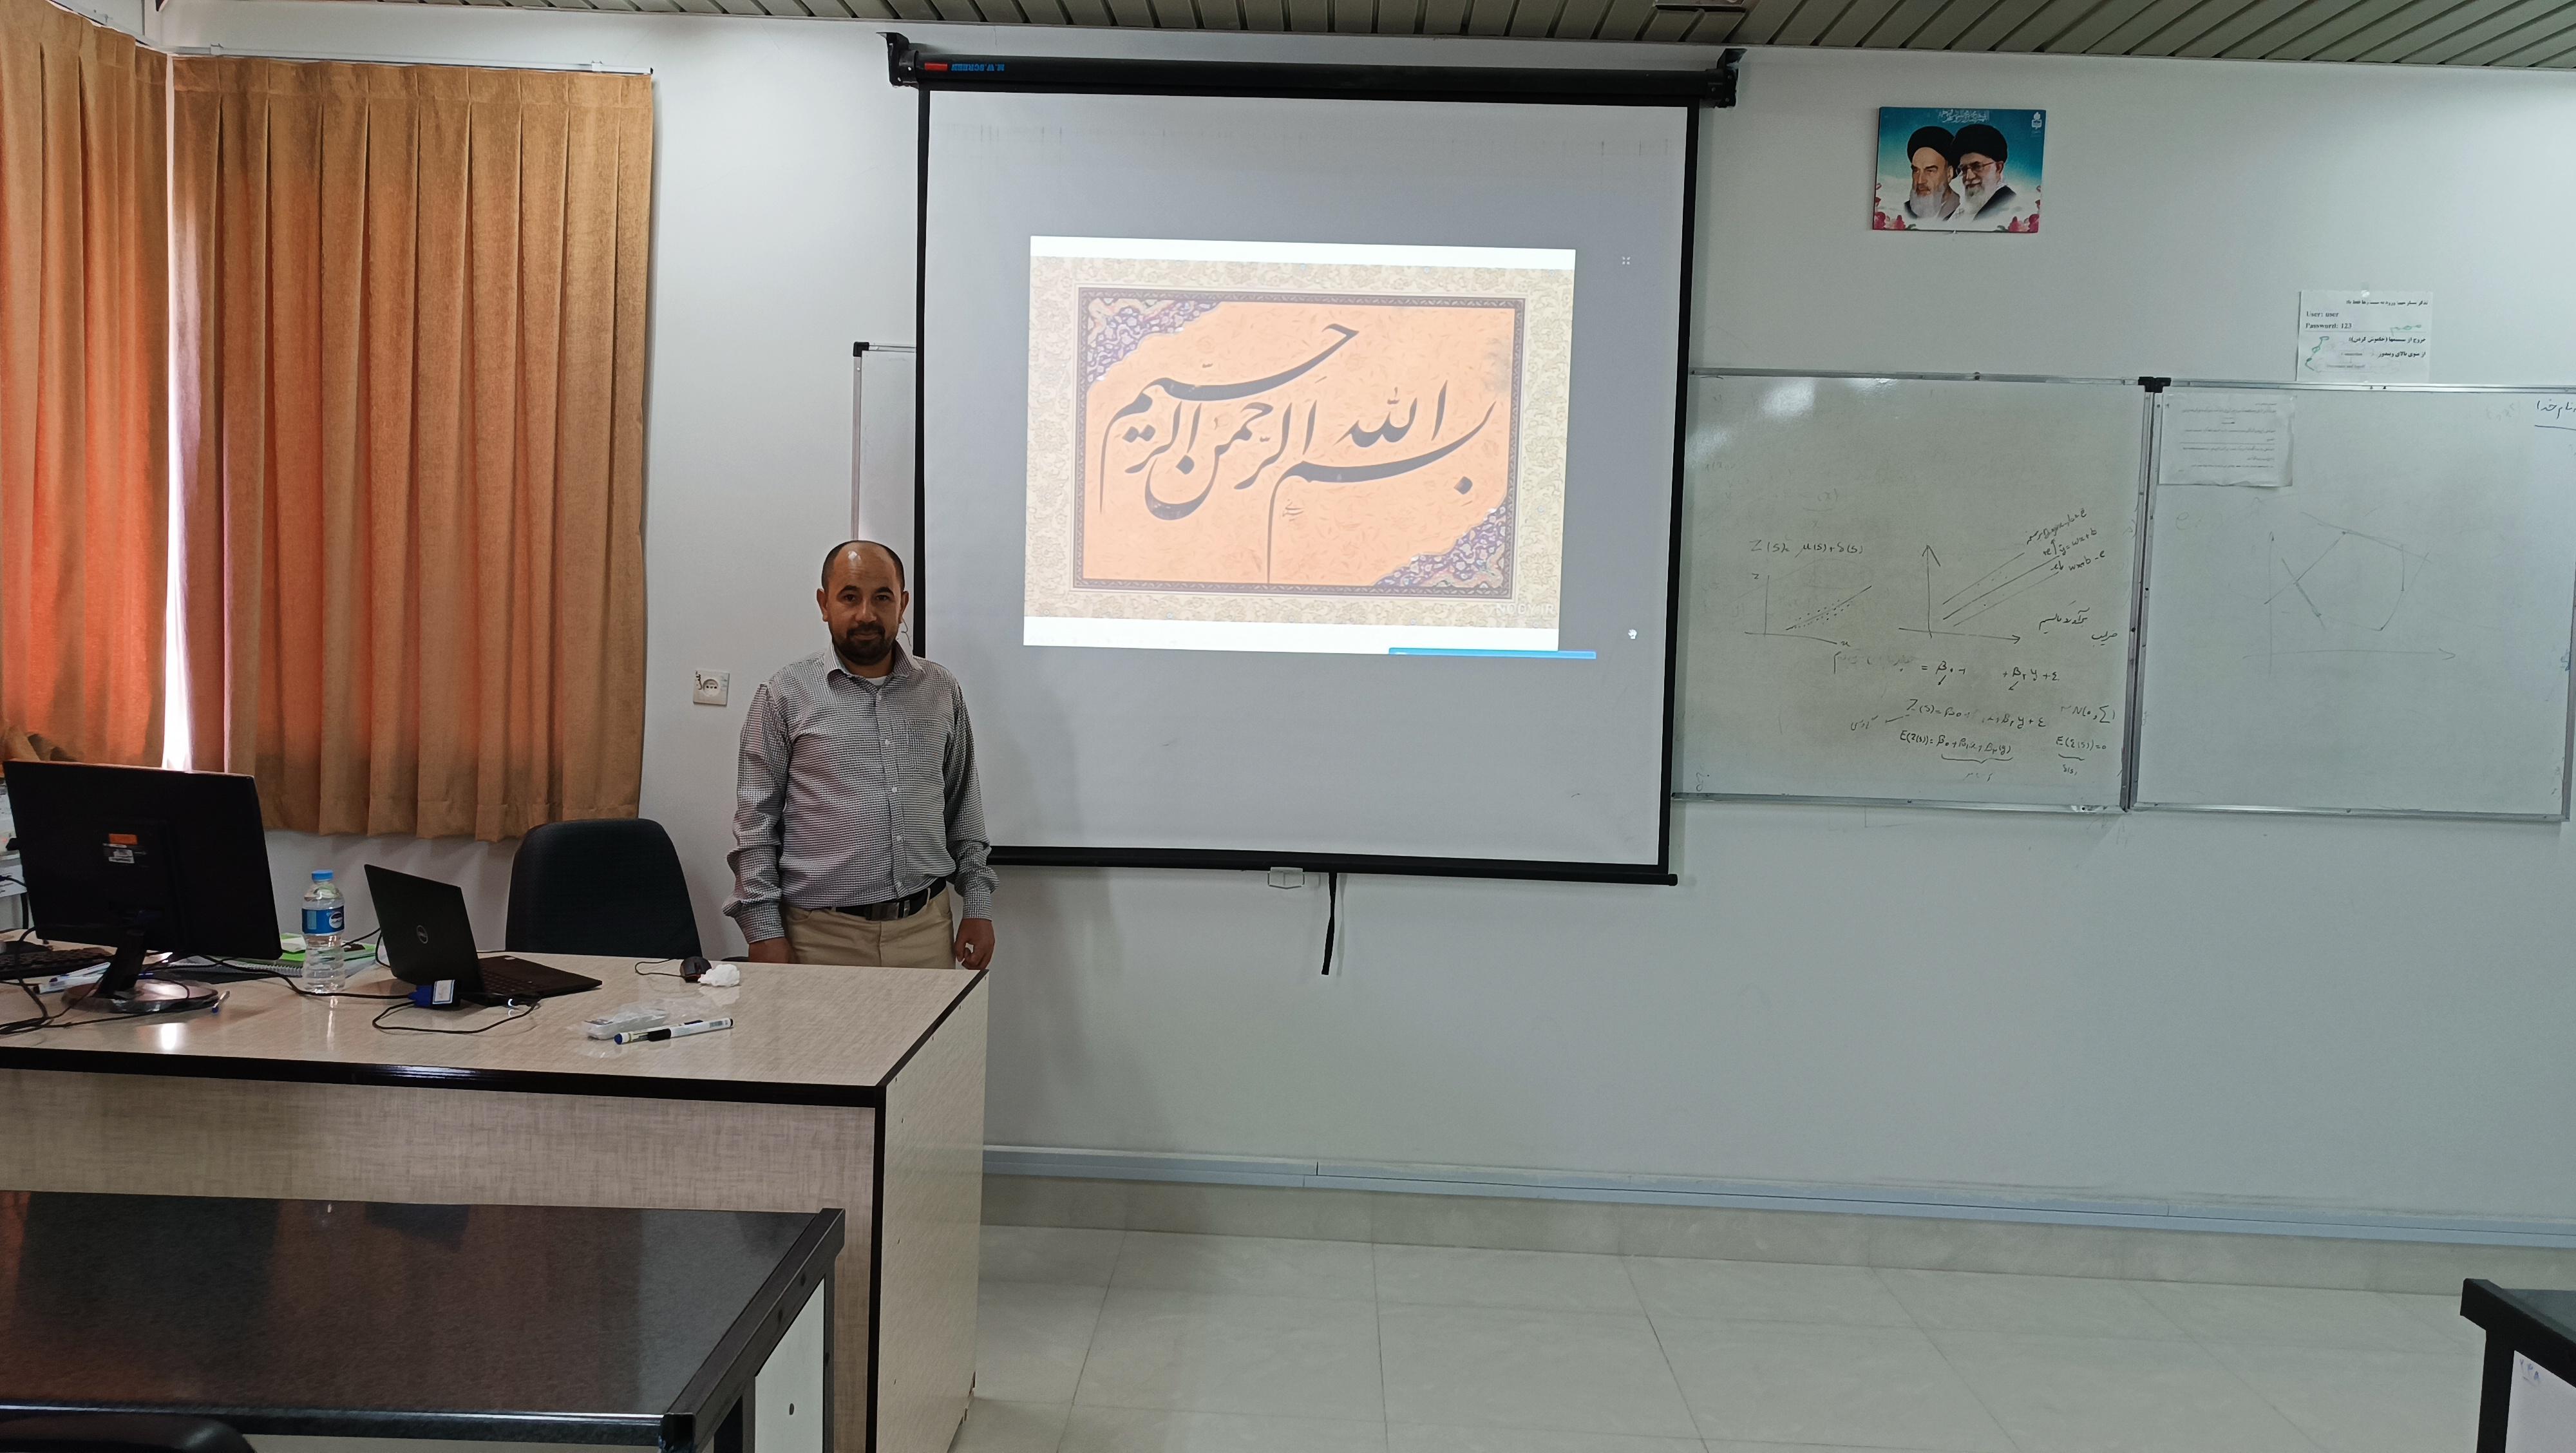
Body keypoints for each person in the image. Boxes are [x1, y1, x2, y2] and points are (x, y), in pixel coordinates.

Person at [726, 540, 998, 972]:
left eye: (882, 597)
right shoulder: (785, 694)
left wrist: (978, 906)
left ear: (903, 604)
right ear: (824, 604)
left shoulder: (940, 690)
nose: (867, 614)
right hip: (820, 939)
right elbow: (755, 824)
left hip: (926, 933)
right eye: (850, 597)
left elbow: (962, 806)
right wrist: (764, 932)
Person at [1953, 122, 2029, 228]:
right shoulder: (1962, 212)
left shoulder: (2012, 209)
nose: (1968, 177)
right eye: (1964, 169)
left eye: (1977, 166)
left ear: (1998, 168)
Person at [1900, 125, 1962, 228]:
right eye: (1916, 171)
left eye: (1930, 171)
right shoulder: (1905, 211)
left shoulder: (1962, 212)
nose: (1920, 181)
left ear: (1949, 174)